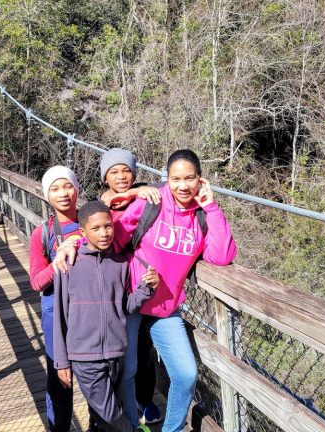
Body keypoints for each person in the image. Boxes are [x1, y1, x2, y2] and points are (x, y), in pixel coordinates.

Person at [56, 149, 238, 432]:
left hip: (166, 309)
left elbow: (222, 256)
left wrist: (212, 207)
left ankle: (172, 428)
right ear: (167, 178)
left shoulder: (201, 215)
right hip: (129, 302)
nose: (183, 185)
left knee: (186, 374)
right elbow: (108, 233)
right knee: (127, 373)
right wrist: (74, 243)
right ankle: (132, 425)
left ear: (200, 180)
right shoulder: (151, 201)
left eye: (189, 178)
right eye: (176, 178)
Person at [53, 200, 157, 432]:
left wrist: (145, 288)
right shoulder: (68, 264)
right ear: (82, 232)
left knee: (102, 416)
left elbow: (126, 306)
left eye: (108, 226)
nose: (104, 233)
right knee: (110, 413)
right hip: (84, 354)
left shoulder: (120, 263)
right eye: (96, 228)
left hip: (116, 351)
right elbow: (59, 316)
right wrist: (61, 361)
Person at [99, 148, 162, 426]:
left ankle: (144, 400)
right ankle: (124, 404)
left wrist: (140, 191)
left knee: (145, 346)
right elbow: (98, 211)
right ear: (105, 177)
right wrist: (132, 194)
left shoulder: (149, 194)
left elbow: (168, 190)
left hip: (147, 283)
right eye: (114, 171)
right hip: (116, 287)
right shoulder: (103, 204)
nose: (121, 176)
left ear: (135, 173)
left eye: (126, 170)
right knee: (125, 349)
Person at [28, 166, 84, 432]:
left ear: (77, 188)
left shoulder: (95, 222)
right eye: (55, 188)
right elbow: (37, 282)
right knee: (60, 379)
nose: (63, 194)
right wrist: (58, 261)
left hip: (89, 312)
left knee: (98, 376)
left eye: (68, 186)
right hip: (56, 316)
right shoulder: (42, 233)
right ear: (47, 195)